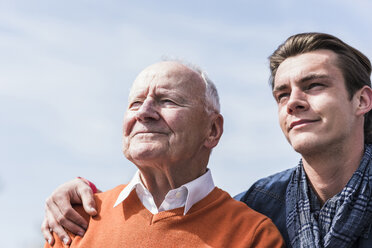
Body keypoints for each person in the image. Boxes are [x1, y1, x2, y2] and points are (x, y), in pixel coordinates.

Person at [43, 32, 372, 247]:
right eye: (282, 93)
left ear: (362, 101)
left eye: (314, 85)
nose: (293, 102)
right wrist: (79, 191)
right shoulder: (261, 202)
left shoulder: (250, 228)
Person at [43, 61, 284, 247]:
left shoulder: (252, 234)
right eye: (135, 103)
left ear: (212, 130)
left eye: (167, 101)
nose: (144, 112)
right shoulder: (73, 219)